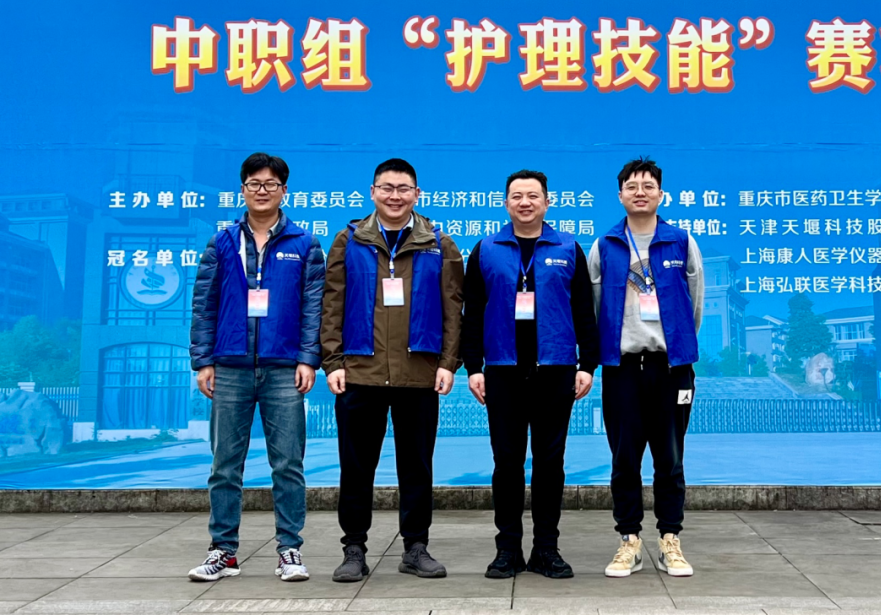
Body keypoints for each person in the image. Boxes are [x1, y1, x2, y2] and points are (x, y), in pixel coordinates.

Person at [320, 158, 464, 582]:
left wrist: (448, 363)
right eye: (387, 187)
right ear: (372, 192)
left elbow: (454, 308)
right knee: (356, 467)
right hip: (359, 372)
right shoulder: (349, 240)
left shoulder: (439, 243)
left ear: (417, 194)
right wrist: (332, 361)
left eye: (403, 189)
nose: (395, 196)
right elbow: (332, 304)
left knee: (416, 467)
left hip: (418, 373)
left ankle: (415, 548)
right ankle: (353, 549)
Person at [188, 152, 325, 583]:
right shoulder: (223, 242)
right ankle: (223, 551)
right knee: (225, 466)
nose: (262, 191)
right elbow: (204, 304)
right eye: (254, 183)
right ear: (242, 190)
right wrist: (203, 360)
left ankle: (289, 549)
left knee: (288, 464)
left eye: (271, 184)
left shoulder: (305, 244)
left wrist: (308, 358)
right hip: (229, 367)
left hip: (284, 368)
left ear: (284, 191)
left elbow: (314, 309)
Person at [462, 170, 600, 580]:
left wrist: (587, 364)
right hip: (502, 370)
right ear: (506, 203)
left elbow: (584, 310)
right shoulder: (486, 249)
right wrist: (473, 367)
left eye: (533, 196)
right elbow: (473, 312)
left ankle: (546, 549)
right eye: (517, 196)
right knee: (506, 463)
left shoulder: (568, 248)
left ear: (547, 202)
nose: (525, 202)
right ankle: (507, 550)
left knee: (550, 463)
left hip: (555, 369)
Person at [588, 157, 704, 578]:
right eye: (632, 186)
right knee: (624, 459)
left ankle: (670, 540)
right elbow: (595, 308)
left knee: (670, 458)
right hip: (622, 368)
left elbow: (694, 304)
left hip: (670, 368)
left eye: (648, 186)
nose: (640, 192)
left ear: (661, 194)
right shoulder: (604, 246)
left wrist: (674, 347)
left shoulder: (682, 242)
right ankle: (629, 541)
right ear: (620, 195)